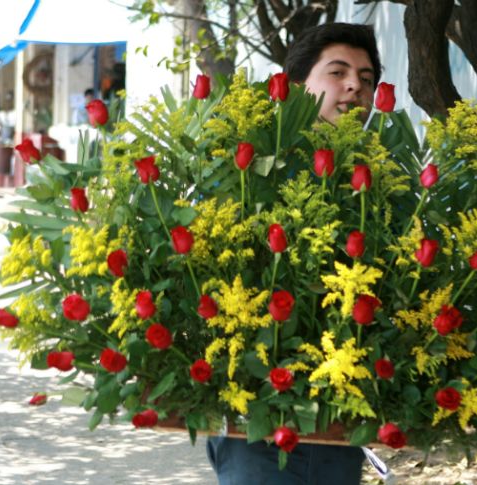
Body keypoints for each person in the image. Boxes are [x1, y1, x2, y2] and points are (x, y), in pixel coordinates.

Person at [204, 23, 383, 485]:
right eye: (339, 72)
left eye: (366, 79)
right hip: (257, 419)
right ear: (298, 85)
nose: (355, 87)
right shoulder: (248, 166)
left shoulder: (379, 179)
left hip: (339, 419)